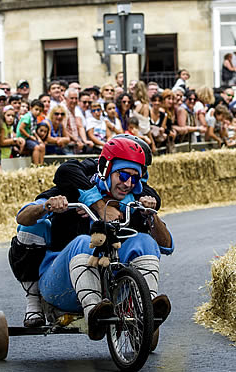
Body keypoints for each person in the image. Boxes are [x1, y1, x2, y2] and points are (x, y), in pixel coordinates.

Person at [15, 138, 172, 336]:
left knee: (145, 241)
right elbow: (22, 217)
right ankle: (92, 313)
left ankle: (145, 310)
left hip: (111, 285)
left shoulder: (134, 200)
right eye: (123, 175)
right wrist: (47, 206)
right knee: (82, 241)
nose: (128, 183)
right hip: (60, 285)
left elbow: (167, 246)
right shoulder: (75, 188)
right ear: (107, 170)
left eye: (135, 178)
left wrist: (152, 215)